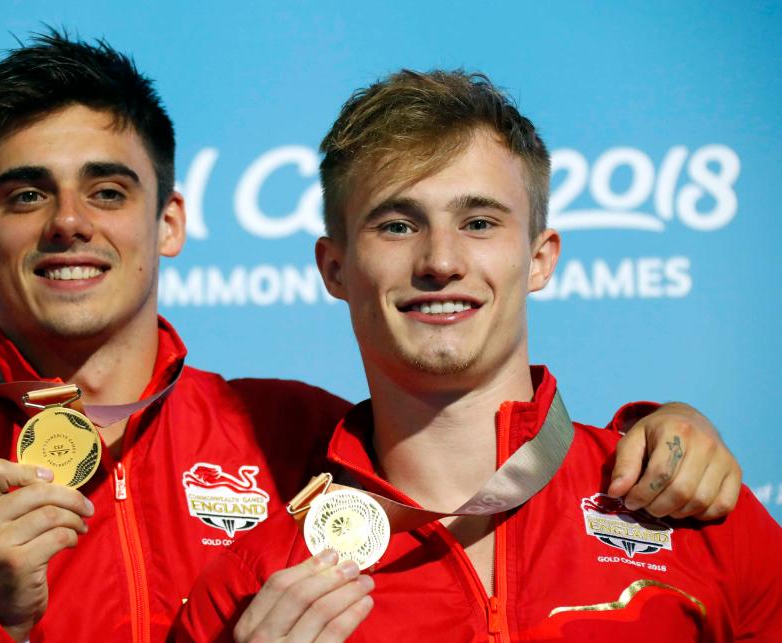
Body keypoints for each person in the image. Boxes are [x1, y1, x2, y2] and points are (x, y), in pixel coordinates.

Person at [0, 35, 741, 643]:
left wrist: (660, 429)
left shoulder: (287, 430)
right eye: (25, 194)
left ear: (168, 221)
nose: (70, 223)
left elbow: (472, 449)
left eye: (108, 190)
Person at [176, 70, 782, 642]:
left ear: (540, 258)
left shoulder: (694, 514)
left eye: (480, 222)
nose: (441, 261)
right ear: (335, 268)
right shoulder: (258, 583)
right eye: (396, 226)